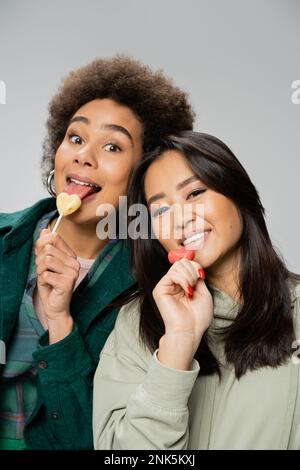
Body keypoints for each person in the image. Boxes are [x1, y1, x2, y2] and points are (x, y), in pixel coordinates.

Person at [0, 56, 194, 450]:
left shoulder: (155, 291)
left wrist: (61, 321)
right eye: (75, 137)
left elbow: (108, 444)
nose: (83, 156)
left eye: (112, 145)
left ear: (144, 173)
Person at [93, 131, 300, 450]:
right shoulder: (137, 323)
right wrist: (178, 344)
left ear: (236, 192)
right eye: (160, 211)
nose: (180, 219)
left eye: (194, 194)